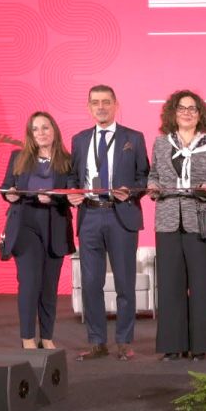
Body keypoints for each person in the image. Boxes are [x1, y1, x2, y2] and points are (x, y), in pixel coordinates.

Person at [66, 85, 150, 362]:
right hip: (89, 216)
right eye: (95, 102)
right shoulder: (79, 140)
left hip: (121, 214)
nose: (101, 107)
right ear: (89, 107)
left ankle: (124, 341)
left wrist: (131, 191)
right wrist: (73, 193)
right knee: (91, 283)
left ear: (115, 105)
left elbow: (144, 177)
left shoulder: (133, 138)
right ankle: (97, 342)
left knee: (125, 283)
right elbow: (72, 176)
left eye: (106, 102)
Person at [146, 90, 206, 361]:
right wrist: (153, 186)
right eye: (182, 108)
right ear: (173, 112)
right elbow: (153, 174)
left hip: (200, 219)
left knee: (202, 284)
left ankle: (200, 345)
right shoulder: (160, 143)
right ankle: (172, 345)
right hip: (167, 218)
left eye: (192, 108)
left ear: (200, 114)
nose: (187, 113)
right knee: (170, 284)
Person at [0, 112, 76, 350]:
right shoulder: (18, 157)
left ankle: (47, 336)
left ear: (54, 130)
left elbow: (72, 194)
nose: (41, 133)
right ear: (30, 134)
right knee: (30, 282)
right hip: (25, 225)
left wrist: (53, 199)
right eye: (35, 129)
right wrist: (9, 194)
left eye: (45, 127)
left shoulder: (68, 161)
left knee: (49, 286)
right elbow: (5, 187)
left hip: (55, 226)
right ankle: (27, 338)